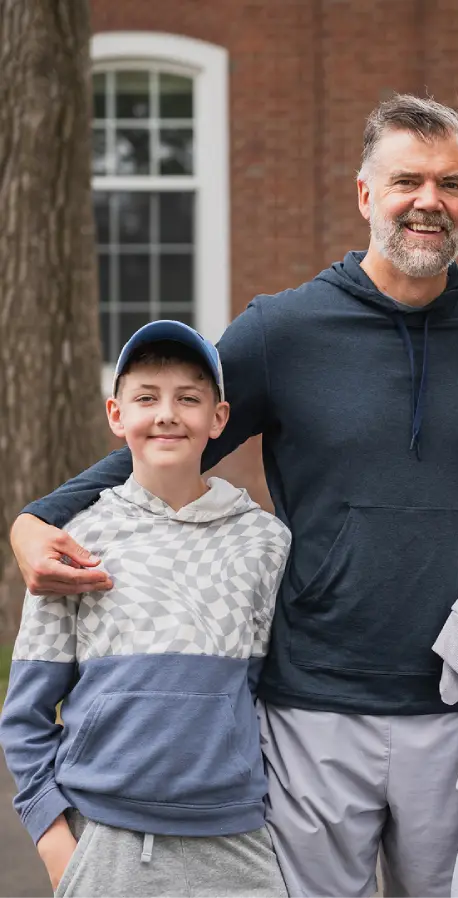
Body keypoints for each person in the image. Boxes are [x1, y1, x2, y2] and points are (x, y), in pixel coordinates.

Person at [8, 95, 458, 898]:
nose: (430, 202)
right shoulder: (284, 330)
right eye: (408, 182)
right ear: (365, 194)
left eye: (450, 184)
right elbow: (170, 436)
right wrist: (37, 519)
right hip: (314, 706)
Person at [0, 321, 292, 897]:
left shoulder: (265, 542)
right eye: (146, 398)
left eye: (188, 398)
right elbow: (25, 715)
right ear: (116, 414)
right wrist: (58, 848)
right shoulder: (76, 540)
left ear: (219, 418)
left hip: (236, 842)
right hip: (104, 839)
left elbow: (266, 698)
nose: (166, 414)